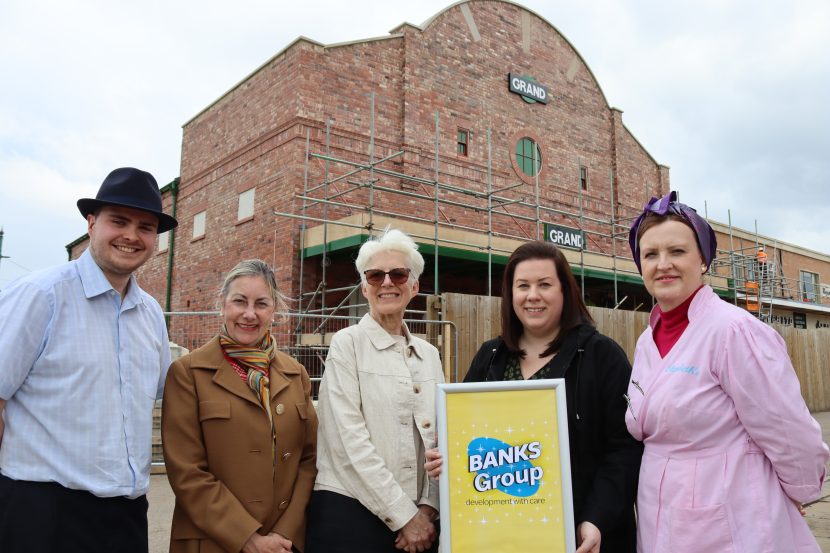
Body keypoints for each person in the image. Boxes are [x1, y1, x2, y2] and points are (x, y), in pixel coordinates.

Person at [625, 191, 829, 552]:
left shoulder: (734, 331)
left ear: (703, 259)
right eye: (651, 254)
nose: (663, 264)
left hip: (732, 518)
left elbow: (788, 430)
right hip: (661, 516)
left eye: (677, 251)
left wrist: (799, 493)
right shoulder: (646, 341)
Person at [0, 167, 178, 553]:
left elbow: (171, 394)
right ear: (92, 222)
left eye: (145, 227)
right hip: (42, 512)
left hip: (127, 515)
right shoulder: (40, 296)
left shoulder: (150, 314)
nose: (132, 235)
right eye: (119, 220)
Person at [454, 240, 642, 553]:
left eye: (544, 284)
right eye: (523, 285)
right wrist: (446, 455)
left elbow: (624, 450)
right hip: (503, 534)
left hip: (581, 535)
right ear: (510, 294)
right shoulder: (490, 357)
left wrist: (597, 517)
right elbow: (465, 438)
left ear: (564, 291)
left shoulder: (602, 356)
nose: (533, 296)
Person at [162, 259, 317, 553]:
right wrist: (248, 538)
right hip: (212, 541)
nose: (249, 314)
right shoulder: (188, 373)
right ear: (223, 305)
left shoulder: (296, 374)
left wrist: (285, 534)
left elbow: (309, 460)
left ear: (275, 310)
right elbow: (187, 472)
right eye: (239, 301)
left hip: (283, 543)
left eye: (261, 303)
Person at [306, 228, 444, 553]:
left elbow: (440, 438)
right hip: (352, 513)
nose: (387, 282)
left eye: (398, 274)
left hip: (421, 522)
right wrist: (404, 516)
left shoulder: (429, 355)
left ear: (414, 285)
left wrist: (428, 506)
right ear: (364, 287)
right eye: (375, 275)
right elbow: (347, 442)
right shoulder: (347, 345)